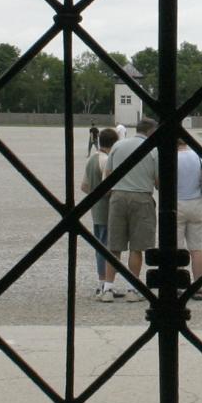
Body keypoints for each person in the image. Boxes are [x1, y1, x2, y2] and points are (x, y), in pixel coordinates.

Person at [105, 118, 160, 302]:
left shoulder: (117, 146)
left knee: (114, 246)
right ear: (151, 131)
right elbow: (159, 182)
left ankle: (107, 289)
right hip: (141, 197)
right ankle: (132, 289)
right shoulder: (153, 150)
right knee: (137, 247)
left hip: (118, 196)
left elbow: (108, 174)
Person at [82, 128, 118, 300]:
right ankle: (105, 283)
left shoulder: (91, 159)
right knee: (107, 246)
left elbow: (84, 186)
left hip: (95, 209)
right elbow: (108, 187)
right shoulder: (106, 161)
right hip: (107, 209)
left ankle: (101, 281)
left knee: (99, 246)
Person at [176, 138, 202, 299]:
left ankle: (178, 285)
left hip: (177, 204)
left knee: (177, 249)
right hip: (196, 204)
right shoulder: (197, 156)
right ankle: (198, 287)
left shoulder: (171, 157)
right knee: (196, 248)